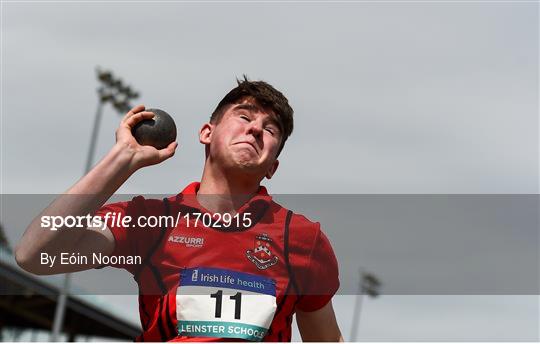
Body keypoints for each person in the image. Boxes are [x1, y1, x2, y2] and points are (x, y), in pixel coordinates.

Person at [16, 77, 343, 342]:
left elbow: (327, 340)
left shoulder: (302, 238)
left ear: (273, 165)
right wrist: (121, 161)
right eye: (243, 116)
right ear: (206, 133)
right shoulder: (151, 222)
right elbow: (35, 255)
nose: (255, 129)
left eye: (270, 129)